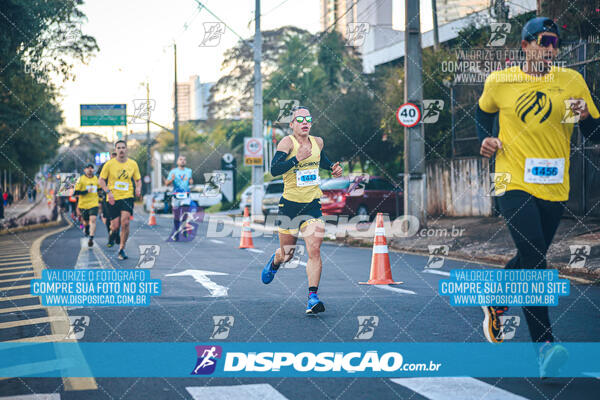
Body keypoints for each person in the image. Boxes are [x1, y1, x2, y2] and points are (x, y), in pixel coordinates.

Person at [476, 17, 599, 376]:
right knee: (534, 256)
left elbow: (593, 131)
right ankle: (545, 347)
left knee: (532, 255)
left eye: (555, 43)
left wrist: (587, 113)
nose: (550, 48)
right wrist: (486, 138)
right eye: (543, 41)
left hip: (554, 186)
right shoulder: (501, 81)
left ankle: (497, 298)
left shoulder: (571, 80)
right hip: (510, 179)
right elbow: (483, 112)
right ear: (525, 44)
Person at [261, 106, 343, 314]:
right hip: (289, 206)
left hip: (312, 204)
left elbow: (320, 159)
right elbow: (274, 170)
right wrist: (297, 158)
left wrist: (333, 166)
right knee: (287, 254)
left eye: (308, 119)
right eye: (300, 119)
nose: (305, 122)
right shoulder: (287, 143)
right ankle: (275, 260)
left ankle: (312, 298)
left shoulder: (318, 142)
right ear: (292, 124)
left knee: (314, 249)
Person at [99, 140, 142, 260]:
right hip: (113, 197)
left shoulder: (133, 164)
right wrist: (108, 192)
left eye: (123, 147)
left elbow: (138, 179)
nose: (121, 150)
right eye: (119, 148)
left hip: (127, 196)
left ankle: (122, 249)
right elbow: (101, 180)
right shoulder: (109, 164)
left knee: (126, 223)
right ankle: (113, 233)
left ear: (126, 149)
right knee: (115, 226)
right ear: (115, 150)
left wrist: (138, 188)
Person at [165, 155, 193, 241]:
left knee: (185, 212)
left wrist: (191, 181)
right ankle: (177, 232)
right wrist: (171, 180)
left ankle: (183, 228)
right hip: (176, 195)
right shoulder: (173, 171)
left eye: (184, 159)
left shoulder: (189, 171)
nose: (183, 161)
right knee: (176, 216)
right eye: (181, 159)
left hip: (186, 194)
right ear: (177, 162)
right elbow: (166, 183)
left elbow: (190, 180)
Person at [74, 164, 100, 247]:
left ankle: (91, 238)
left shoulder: (96, 179)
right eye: (88, 168)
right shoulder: (81, 179)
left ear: (93, 170)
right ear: (84, 170)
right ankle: (86, 228)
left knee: (93, 219)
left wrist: (101, 198)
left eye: (91, 168)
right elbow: (76, 192)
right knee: (85, 222)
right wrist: (86, 191)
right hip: (83, 204)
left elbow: (99, 189)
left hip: (94, 203)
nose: (90, 170)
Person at [98, 151, 119, 246]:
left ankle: (116, 234)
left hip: (119, 196)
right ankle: (110, 235)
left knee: (118, 217)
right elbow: (98, 178)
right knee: (107, 217)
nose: (114, 157)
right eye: (113, 155)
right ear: (110, 156)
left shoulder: (122, 165)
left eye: (116, 155)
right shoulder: (104, 166)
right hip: (106, 195)